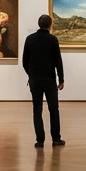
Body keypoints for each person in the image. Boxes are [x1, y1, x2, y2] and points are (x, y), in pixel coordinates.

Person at [22, 14, 65, 148]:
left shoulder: (30, 39)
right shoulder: (53, 40)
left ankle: (40, 140)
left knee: (37, 109)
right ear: (50, 25)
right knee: (54, 109)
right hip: (50, 80)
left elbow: (24, 61)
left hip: (35, 80)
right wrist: (61, 79)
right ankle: (56, 139)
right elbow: (58, 61)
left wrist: (31, 75)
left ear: (39, 24)